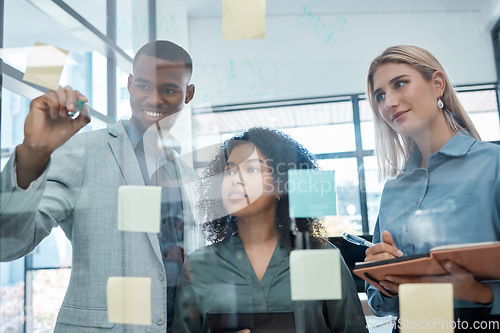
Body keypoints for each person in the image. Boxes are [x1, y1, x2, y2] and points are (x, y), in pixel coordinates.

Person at [0, 40, 197, 332]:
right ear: (129, 85)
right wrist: (32, 153)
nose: (153, 99)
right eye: (143, 86)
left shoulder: (186, 174)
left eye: (168, 90)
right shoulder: (84, 151)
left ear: (188, 94)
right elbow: (8, 242)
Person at [172, 127, 368, 333]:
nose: (235, 179)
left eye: (252, 169)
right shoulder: (199, 266)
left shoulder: (320, 257)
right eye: (229, 171)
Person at [364, 45, 500, 331]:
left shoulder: (493, 165)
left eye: (400, 84)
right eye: (380, 95)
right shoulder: (393, 189)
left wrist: (478, 293)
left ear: (437, 84)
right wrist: (382, 276)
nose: (389, 102)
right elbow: (381, 302)